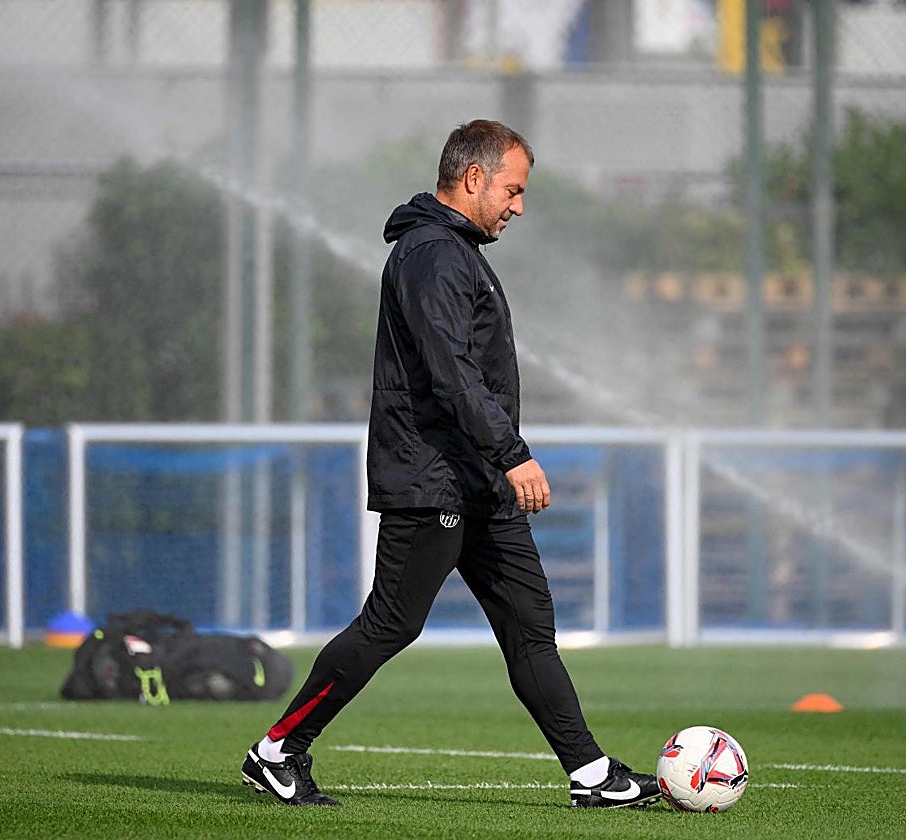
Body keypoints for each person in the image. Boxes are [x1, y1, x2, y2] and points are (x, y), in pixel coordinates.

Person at [241, 119, 660, 810]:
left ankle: (591, 774)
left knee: (530, 628)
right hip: (436, 476)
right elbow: (450, 372)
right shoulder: (433, 253)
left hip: (477, 481)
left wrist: (496, 465)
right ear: (474, 179)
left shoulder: (456, 252)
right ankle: (278, 749)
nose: (519, 206)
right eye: (514, 190)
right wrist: (513, 454)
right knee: (391, 624)